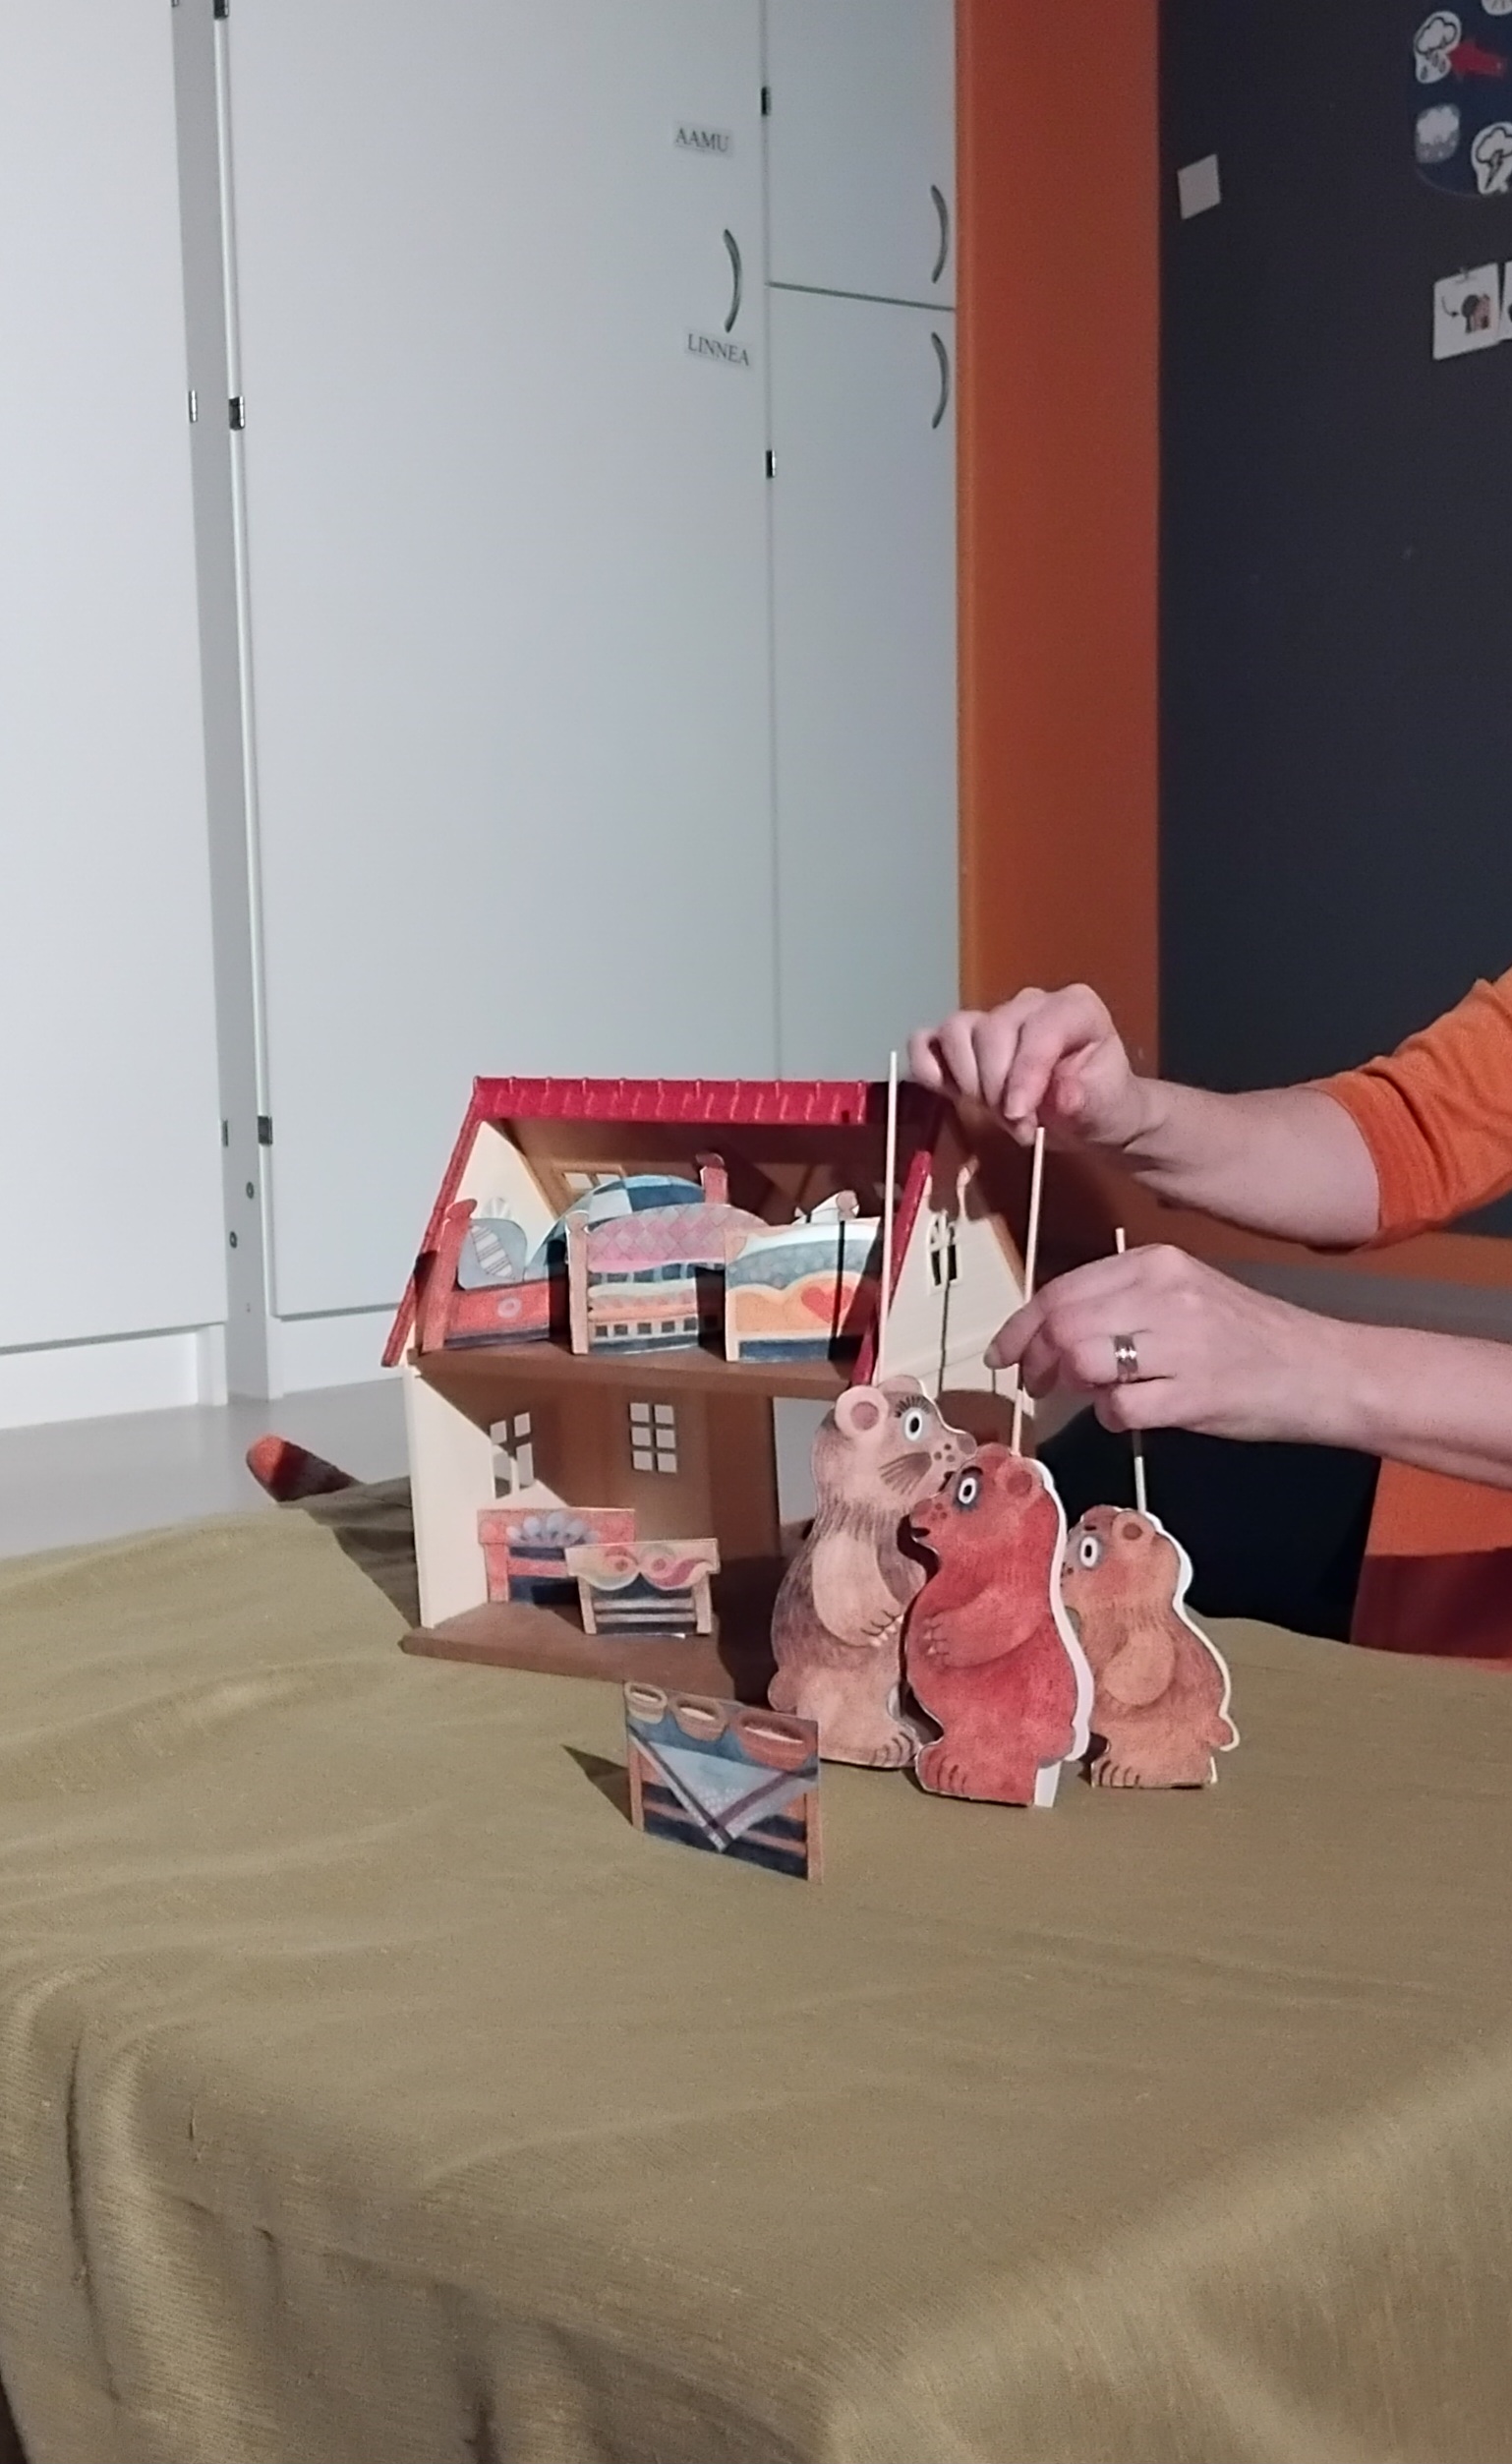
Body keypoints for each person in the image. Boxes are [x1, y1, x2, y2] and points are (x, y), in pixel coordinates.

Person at [908, 974, 1512, 1658]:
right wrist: (1136, 1115)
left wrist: (1303, 1364)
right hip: (1433, 1517)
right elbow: (1408, 1131)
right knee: (1091, 1481)